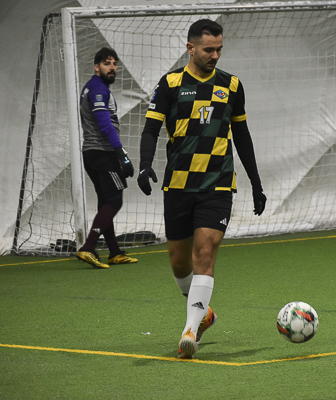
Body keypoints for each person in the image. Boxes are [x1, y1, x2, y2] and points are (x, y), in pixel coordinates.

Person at [137, 19, 266, 359]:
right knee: (180, 262)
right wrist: (145, 164)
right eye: (209, 49)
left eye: (219, 49)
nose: (215, 55)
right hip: (179, 185)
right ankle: (204, 314)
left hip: (217, 183)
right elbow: (150, 129)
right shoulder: (170, 83)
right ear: (190, 48)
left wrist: (256, 183)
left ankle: (190, 331)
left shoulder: (231, 85)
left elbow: (242, 136)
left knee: (205, 253)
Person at [76, 47, 138, 269]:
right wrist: (121, 154)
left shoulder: (94, 87)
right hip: (102, 153)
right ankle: (88, 246)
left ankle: (114, 252)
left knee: (105, 201)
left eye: (114, 63)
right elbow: (104, 123)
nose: (112, 67)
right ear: (96, 67)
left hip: (92, 153)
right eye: (106, 63)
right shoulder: (97, 89)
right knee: (114, 200)